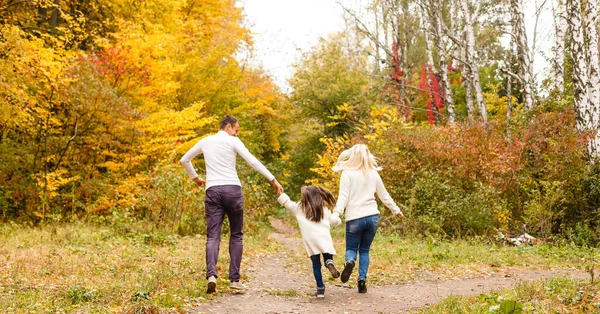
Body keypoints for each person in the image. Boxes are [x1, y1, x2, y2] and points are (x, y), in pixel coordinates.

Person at [180, 115, 284, 294]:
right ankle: (234, 280)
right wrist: (272, 179)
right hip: (233, 190)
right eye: (236, 130)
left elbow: (184, 160)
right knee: (236, 235)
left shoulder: (205, 141)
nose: (236, 134)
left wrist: (196, 178)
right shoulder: (232, 142)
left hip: (212, 191)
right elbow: (252, 161)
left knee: (213, 236)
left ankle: (212, 275)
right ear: (228, 127)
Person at [330, 144, 403, 293]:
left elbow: (343, 197)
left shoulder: (347, 173)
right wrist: (396, 210)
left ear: (352, 156)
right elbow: (384, 196)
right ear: (367, 156)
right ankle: (362, 280)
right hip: (372, 218)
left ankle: (350, 262)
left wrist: (336, 213)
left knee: (351, 248)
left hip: (355, 218)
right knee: (364, 250)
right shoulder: (373, 173)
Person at [277, 185, 343, 298]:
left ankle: (320, 290)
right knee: (327, 255)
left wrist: (280, 194)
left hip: (311, 241)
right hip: (324, 239)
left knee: (316, 265)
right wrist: (338, 218)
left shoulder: (299, 208)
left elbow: (287, 203)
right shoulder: (323, 210)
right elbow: (334, 221)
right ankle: (329, 262)